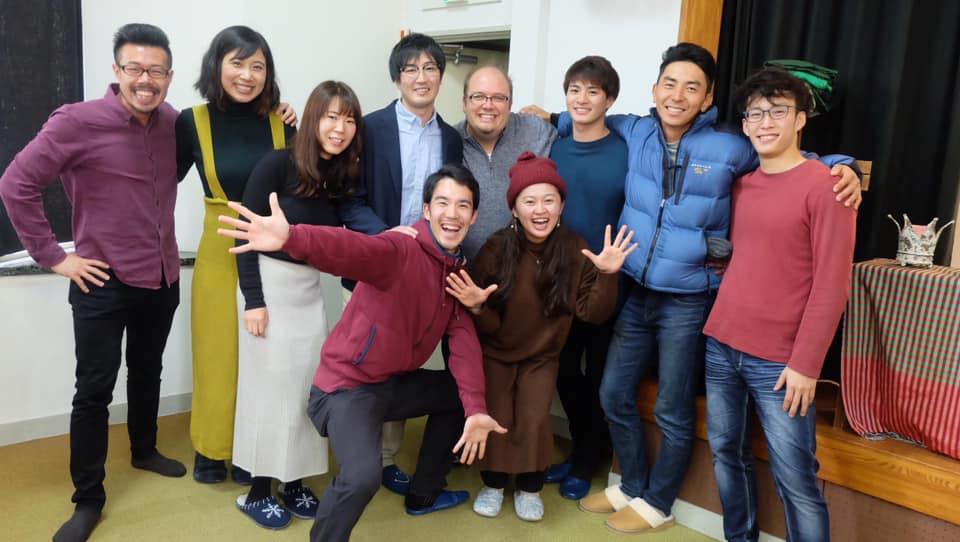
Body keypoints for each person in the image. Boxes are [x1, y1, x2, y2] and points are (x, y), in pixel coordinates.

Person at [524, 42, 861, 534]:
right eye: (669, 83)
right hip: (635, 290)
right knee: (613, 391)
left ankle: (658, 502)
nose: (677, 95)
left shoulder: (732, 143)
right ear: (654, 90)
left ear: (707, 100)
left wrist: (842, 163)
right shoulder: (633, 128)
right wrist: (549, 113)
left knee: (672, 408)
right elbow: (588, 111)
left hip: (689, 299)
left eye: (691, 87)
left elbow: (788, 157)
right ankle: (631, 484)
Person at [218, 164, 507, 542]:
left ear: (474, 216)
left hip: (389, 385)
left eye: (463, 206)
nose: (452, 214)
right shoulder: (399, 249)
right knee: (361, 477)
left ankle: (423, 493)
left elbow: (465, 344)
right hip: (344, 389)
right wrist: (292, 237)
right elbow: (351, 249)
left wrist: (477, 409)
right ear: (426, 209)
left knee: (459, 396)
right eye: (443, 203)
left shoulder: (456, 271)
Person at [0, 23, 185, 542]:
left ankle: (144, 450)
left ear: (169, 76)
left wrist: (280, 111)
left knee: (148, 371)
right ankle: (88, 498)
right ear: (116, 70)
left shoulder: (172, 122)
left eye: (156, 71)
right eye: (135, 68)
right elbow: (16, 184)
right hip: (100, 282)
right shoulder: (76, 122)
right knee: (94, 392)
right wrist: (54, 257)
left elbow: (226, 130)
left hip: (162, 275)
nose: (145, 80)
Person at [703, 67, 856, 542]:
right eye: (755, 113)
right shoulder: (742, 184)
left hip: (782, 362)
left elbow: (833, 285)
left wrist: (807, 364)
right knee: (727, 455)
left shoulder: (827, 185)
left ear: (800, 119)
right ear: (745, 124)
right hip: (721, 343)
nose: (765, 122)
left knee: (796, 480)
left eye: (778, 111)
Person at [445, 152, 633, 521]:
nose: (540, 209)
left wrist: (608, 274)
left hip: (544, 355)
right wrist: (479, 308)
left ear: (562, 205)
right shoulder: (497, 248)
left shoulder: (574, 248)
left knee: (533, 417)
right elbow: (481, 317)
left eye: (549, 199)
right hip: (496, 350)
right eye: (529, 201)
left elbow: (592, 314)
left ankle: (530, 486)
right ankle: (494, 482)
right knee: (497, 412)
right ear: (514, 209)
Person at [232, 81, 385, 529]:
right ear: (314, 118)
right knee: (270, 393)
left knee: (309, 390)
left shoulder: (340, 175)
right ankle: (258, 489)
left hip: (310, 291)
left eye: (349, 118)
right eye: (331, 116)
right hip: (269, 288)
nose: (340, 128)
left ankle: (295, 480)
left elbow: (340, 242)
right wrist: (253, 302)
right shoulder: (276, 165)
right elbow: (244, 236)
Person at [175, 25, 297, 485]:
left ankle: (252, 449)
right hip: (218, 248)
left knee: (264, 356)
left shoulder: (281, 121)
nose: (247, 75)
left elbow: (304, 181)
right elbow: (156, 181)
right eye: (237, 63)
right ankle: (211, 447)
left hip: (271, 251)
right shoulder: (191, 121)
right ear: (217, 66)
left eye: (257, 66)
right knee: (217, 353)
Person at [345, 32, 464, 494]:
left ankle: (387, 459)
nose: (421, 77)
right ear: (397, 77)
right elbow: (350, 201)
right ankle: (361, 459)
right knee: (367, 362)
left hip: (427, 273)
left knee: (402, 363)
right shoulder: (369, 128)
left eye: (430, 68)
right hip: (379, 264)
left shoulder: (452, 139)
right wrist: (387, 240)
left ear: (440, 76)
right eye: (411, 68)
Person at [541, 55, 628, 501]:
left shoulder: (627, 147)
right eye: (575, 89)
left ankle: (588, 457)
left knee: (598, 375)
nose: (582, 98)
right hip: (559, 277)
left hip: (609, 280)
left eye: (593, 91)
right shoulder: (553, 145)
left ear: (609, 99)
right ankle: (580, 450)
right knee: (561, 370)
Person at [456, 65, 557, 259]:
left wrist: (556, 117)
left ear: (510, 104)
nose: (488, 105)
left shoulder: (537, 132)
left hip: (523, 274)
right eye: (478, 96)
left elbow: (584, 128)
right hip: (463, 273)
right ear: (464, 103)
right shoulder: (449, 141)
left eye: (498, 98)